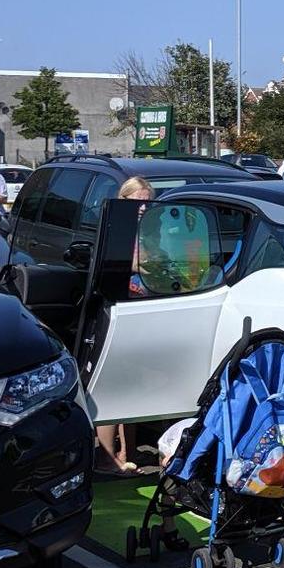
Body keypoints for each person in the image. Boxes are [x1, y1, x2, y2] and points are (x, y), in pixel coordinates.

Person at [93, 176, 156, 476]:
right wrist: (143, 264)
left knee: (131, 386)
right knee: (113, 385)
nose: (143, 207)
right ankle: (107, 458)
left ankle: (125, 453)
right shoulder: (116, 227)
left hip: (143, 308)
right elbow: (114, 263)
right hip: (119, 308)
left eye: (148, 201)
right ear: (124, 198)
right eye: (138, 201)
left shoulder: (151, 229)